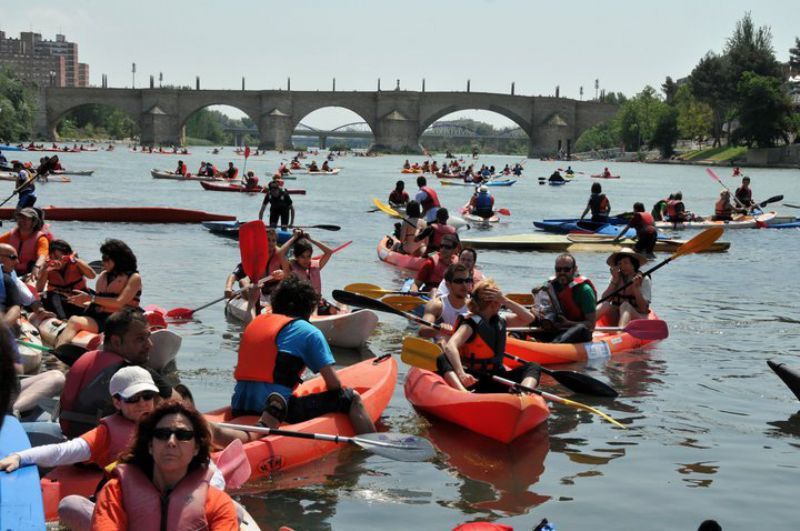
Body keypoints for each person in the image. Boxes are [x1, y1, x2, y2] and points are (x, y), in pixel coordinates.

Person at [0, 367, 162, 528]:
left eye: (147, 396)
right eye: (133, 398)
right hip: (121, 512)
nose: (142, 404)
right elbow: (64, 451)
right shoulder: (106, 434)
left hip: (156, 508)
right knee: (70, 506)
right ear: (117, 402)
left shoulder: (171, 426)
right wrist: (20, 457)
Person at [228, 277, 376, 434]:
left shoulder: (255, 323)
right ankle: (371, 448)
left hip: (239, 407)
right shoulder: (309, 331)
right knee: (350, 398)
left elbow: (250, 318)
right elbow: (334, 385)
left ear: (276, 302)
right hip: (276, 410)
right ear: (309, 306)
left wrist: (252, 301)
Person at [91, 400, 239, 529]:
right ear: (150, 445)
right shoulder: (115, 492)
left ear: (196, 448)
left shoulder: (218, 503)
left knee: (236, 512)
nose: (171, 442)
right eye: (162, 434)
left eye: (183, 436)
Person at [58, 308, 177, 438]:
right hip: (105, 444)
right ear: (116, 341)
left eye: (148, 337)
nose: (149, 345)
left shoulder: (85, 359)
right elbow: (179, 406)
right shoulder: (132, 372)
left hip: (70, 434)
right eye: (140, 339)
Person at [440, 278, 541, 393]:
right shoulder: (470, 324)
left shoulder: (501, 320)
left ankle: (523, 393)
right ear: (493, 303)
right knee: (442, 358)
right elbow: (450, 346)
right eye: (499, 299)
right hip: (474, 380)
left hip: (497, 377)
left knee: (533, 366)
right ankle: (462, 391)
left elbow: (529, 318)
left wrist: (505, 300)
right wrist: (462, 374)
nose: (501, 303)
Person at [56, 239, 142, 347]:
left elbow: (119, 302)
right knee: (73, 317)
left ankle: (59, 352)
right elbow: (99, 302)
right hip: (101, 318)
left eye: (106, 259)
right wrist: (80, 301)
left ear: (118, 260)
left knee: (74, 321)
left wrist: (90, 298)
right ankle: (62, 350)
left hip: (122, 320)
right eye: (103, 258)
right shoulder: (104, 276)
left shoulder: (134, 278)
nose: (103, 262)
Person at [224, 228, 290, 319]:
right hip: (257, 290)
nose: (271, 243)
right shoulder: (254, 255)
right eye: (268, 240)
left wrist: (283, 273)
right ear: (262, 241)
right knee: (243, 281)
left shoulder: (280, 255)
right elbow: (235, 274)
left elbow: (291, 274)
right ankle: (253, 304)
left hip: (275, 290)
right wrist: (228, 287)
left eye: (273, 240)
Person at [531, 253, 597, 344]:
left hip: (577, 331)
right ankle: (513, 339)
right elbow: (540, 307)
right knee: (529, 318)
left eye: (566, 269)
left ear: (574, 269)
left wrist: (568, 323)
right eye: (558, 269)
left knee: (580, 328)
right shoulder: (549, 286)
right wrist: (535, 312)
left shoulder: (585, 290)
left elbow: (591, 324)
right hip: (555, 328)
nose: (562, 272)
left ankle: (552, 347)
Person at [36, 239, 96, 319]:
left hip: (77, 297)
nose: (55, 261)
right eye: (52, 257)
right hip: (58, 299)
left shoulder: (76, 263)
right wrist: (46, 271)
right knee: (52, 296)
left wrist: (77, 261)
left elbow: (92, 276)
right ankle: (63, 319)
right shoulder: (47, 266)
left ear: (67, 255)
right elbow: (39, 289)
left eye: (58, 257)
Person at [596, 249, 651, 328]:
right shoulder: (616, 277)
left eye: (626, 263)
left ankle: (621, 332)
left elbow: (643, 309)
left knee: (625, 305)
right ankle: (585, 325)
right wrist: (614, 281)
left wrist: (636, 288)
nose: (622, 266)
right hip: (616, 316)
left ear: (634, 264)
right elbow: (605, 299)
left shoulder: (644, 279)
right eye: (619, 263)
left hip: (637, 318)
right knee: (605, 304)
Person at [286, 231, 338, 315]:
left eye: (309, 256)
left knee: (333, 310)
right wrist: (294, 238)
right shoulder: (290, 268)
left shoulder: (315, 266)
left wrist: (311, 239)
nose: (306, 260)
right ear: (296, 257)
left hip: (316, 304)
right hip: (299, 306)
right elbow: (281, 253)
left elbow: (329, 252)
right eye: (302, 257)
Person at [419, 263, 471, 344]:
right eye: (459, 281)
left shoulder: (474, 306)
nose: (464, 285)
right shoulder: (437, 305)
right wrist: (439, 329)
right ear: (448, 284)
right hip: (442, 347)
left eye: (467, 281)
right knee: (443, 341)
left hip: (465, 349)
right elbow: (422, 331)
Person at [0, 207, 50, 279]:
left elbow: (42, 256)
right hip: (10, 271)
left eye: (27, 219)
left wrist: (37, 267)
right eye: (20, 218)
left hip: (29, 273)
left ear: (34, 222)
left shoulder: (41, 239)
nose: (22, 221)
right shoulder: (11, 235)